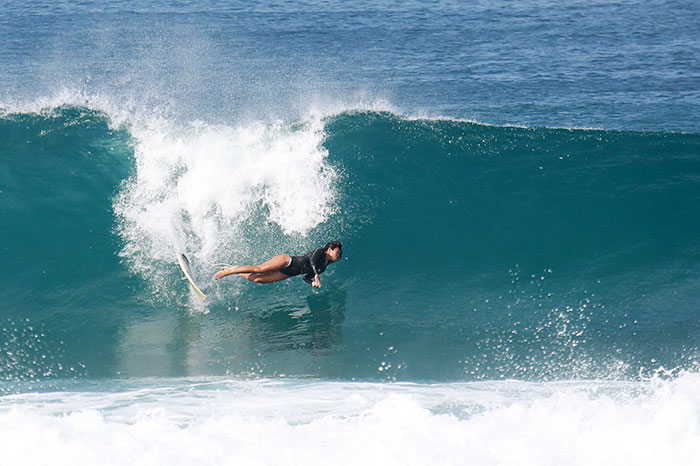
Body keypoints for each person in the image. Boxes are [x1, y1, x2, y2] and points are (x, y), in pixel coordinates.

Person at [214, 241, 342, 288]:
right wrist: (317, 276)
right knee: (259, 269)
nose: (339, 255)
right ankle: (227, 272)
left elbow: (305, 277)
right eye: (337, 252)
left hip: (287, 273)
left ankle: (236, 270)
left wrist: (312, 282)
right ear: (329, 250)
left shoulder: (324, 265)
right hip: (287, 261)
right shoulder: (320, 252)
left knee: (258, 279)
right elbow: (312, 260)